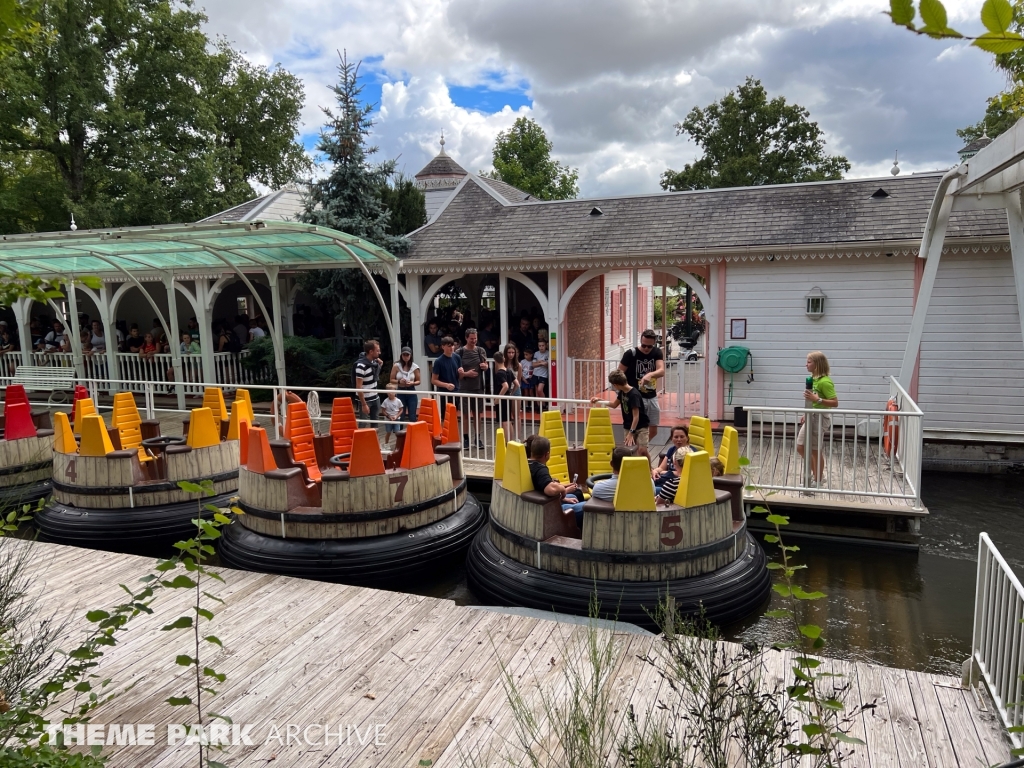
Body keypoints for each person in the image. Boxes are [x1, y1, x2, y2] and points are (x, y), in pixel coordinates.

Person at [525, 435, 586, 530]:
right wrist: (563, 490)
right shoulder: (540, 469)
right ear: (547, 454)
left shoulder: (527, 464)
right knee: (588, 507)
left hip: (543, 504)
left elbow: (543, 484)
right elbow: (551, 489)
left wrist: (563, 488)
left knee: (574, 496)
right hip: (549, 511)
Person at [797, 351, 838, 488]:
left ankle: (818, 480)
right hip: (811, 416)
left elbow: (835, 402)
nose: (806, 365)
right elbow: (813, 401)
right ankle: (818, 475)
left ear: (817, 364)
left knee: (815, 450)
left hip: (820, 418)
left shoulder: (825, 382)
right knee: (800, 446)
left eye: (809, 362)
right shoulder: (812, 379)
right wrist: (807, 412)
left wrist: (818, 399)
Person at [591, 370, 650, 460]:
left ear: (616, 385)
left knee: (642, 451)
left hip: (641, 426)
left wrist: (631, 433)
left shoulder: (634, 394)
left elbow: (636, 417)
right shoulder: (622, 392)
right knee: (629, 451)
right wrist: (600, 400)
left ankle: (649, 468)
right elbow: (614, 405)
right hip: (628, 426)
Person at [619, 329, 665, 444]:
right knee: (636, 427)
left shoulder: (657, 353)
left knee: (653, 429)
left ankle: (640, 447)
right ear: (640, 341)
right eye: (644, 345)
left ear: (654, 344)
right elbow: (619, 374)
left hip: (651, 395)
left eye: (649, 346)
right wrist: (624, 391)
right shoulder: (630, 354)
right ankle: (639, 449)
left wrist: (650, 374)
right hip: (636, 396)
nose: (646, 349)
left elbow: (661, 371)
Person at [457, 328, 489, 450]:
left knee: (477, 414)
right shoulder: (459, 352)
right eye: (471, 338)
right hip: (464, 388)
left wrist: (485, 367)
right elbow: (457, 373)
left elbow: (486, 365)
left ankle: (477, 438)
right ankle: (466, 439)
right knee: (465, 414)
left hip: (478, 387)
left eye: (475, 338)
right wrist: (466, 374)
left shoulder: (481, 351)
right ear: (466, 338)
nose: (474, 340)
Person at [354, 339, 382, 425]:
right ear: (371, 352)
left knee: (375, 422)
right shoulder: (361, 366)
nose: (379, 353)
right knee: (363, 423)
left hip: (375, 397)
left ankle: (375, 434)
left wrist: (379, 365)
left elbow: (374, 375)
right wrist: (364, 404)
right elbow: (359, 387)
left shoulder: (374, 362)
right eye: (377, 351)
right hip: (366, 399)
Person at [390, 346, 421, 422]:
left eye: (407, 355)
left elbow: (419, 381)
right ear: (401, 355)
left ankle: (412, 428)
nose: (406, 357)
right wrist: (399, 381)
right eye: (404, 355)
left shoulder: (415, 367)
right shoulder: (396, 366)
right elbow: (391, 379)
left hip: (411, 391)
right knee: (401, 414)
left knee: (412, 415)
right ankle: (400, 429)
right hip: (401, 390)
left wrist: (412, 383)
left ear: (410, 356)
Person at [430, 336, 460, 412]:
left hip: (456, 392)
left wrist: (462, 373)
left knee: (454, 415)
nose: (451, 348)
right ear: (443, 347)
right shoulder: (438, 361)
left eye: (452, 345)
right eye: (449, 346)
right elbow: (433, 380)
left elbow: (459, 376)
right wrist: (446, 385)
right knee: (445, 416)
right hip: (444, 393)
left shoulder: (457, 357)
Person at [492, 349, 515, 438]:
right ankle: (511, 440)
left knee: (504, 421)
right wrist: (511, 393)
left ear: (495, 361)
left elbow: (505, 386)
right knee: (508, 420)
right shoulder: (509, 371)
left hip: (502, 399)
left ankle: (507, 442)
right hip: (508, 397)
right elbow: (516, 384)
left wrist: (498, 398)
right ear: (504, 359)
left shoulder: (499, 373)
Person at [532, 338, 550, 407]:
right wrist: (541, 363)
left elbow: (547, 364)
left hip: (543, 375)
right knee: (537, 391)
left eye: (543, 345)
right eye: (540, 346)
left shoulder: (548, 353)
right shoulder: (536, 353)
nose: (541, 347)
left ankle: (544, 405)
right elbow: (533, 365)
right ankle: (539, 406)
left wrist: (538, 362)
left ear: (546, 346)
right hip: (535, 374)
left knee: (540, 390)